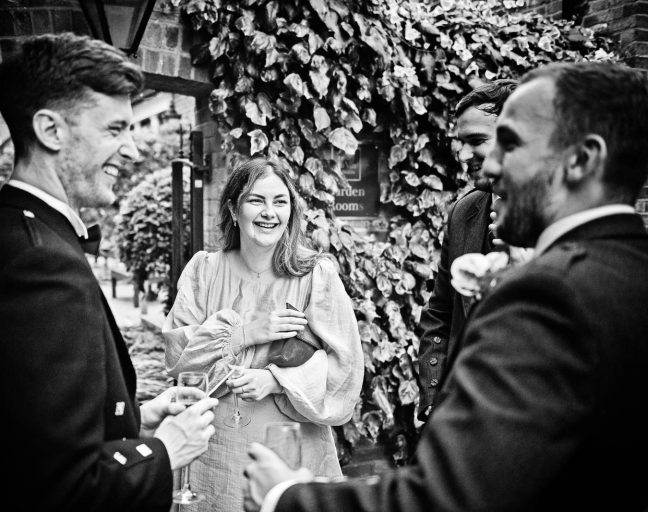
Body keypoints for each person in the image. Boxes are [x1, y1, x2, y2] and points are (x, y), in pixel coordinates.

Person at [244, 61, 648, 512]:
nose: (489, 166)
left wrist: (286, 496)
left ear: (582, 160)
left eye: (509, 144)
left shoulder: (549, 296)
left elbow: (443, 500)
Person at [0, 33, 217, 511]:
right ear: (51, 130)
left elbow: (20, 430)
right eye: (115, 129)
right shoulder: (40, 264)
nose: (133, 150)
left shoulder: (6, 236)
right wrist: (164, 452)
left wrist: (132, 421)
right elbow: (62, 489)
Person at [163, 157, 364, 512]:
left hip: (290, 450)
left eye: (280, 201)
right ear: (233, 208)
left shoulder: (315, 275)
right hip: (216, 454)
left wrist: (275, 379)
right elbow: (180, 362)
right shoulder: (203, 272)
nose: (269, 212)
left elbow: (346, 369)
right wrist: (243, 333)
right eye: (256, 200)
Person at [416, 79, 517, 419]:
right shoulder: (464, 212)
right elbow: (440, 312)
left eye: (476, 141)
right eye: (461, 144)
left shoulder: (557, 218)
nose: (463, 155)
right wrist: (434, 398)